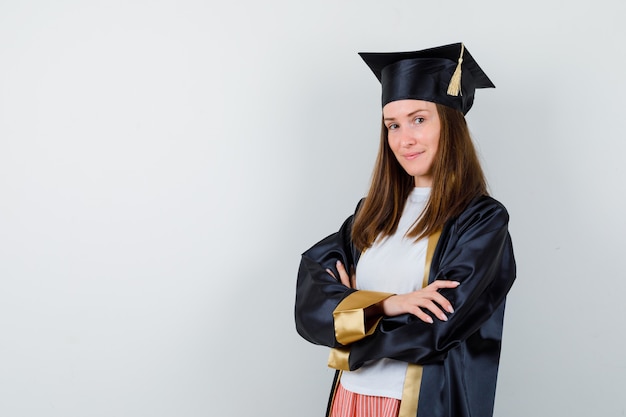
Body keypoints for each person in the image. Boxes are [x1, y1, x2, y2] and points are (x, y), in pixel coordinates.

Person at [294, 42, 516, 417]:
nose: (404, 139)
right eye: (393, 125)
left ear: (451, 122)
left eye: (418, 119)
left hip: (420, 403)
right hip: (350, 398)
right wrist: (388, 303)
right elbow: (311, 302)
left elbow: (437, 331)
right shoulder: (370, 214)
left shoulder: (481, 221)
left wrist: (352, 317)